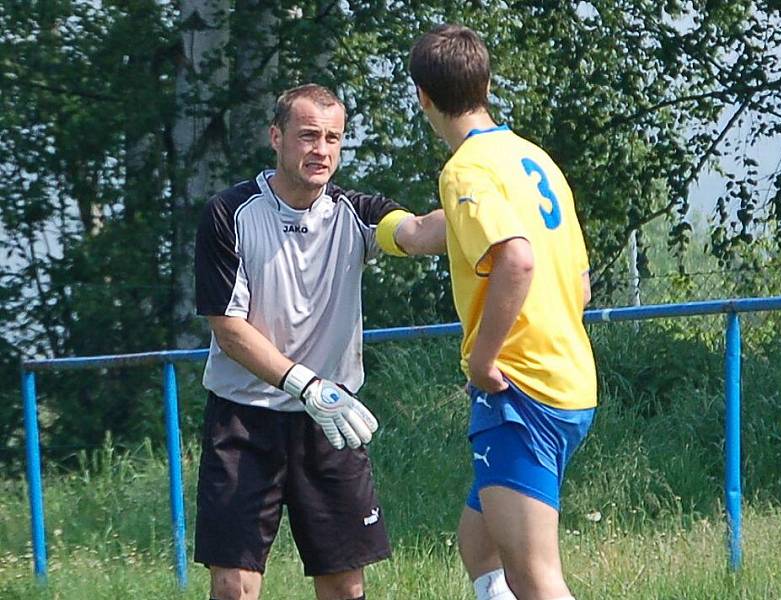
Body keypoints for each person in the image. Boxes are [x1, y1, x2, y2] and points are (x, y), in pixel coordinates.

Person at [193, 83, 446, 600]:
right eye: (308, 136)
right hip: (243, 419)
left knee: (345, 585)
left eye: (333, 138)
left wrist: (490, 211)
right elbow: (229, 329)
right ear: (276, 137)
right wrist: (307, 385)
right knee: (234, 586)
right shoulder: (229, 213)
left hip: (331, 422)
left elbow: (419, 232)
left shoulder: (355, 211)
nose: (322, 150)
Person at [409, 25, 597, 600]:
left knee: (536, 577)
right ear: (487, 84)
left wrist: (482, 358)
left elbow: (516, 259)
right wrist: (396, 231)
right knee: (480, 545)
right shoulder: (530, 158)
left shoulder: (465, 170)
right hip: (570, 380)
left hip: (521, 391)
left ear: (422, 98)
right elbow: (582, 285)